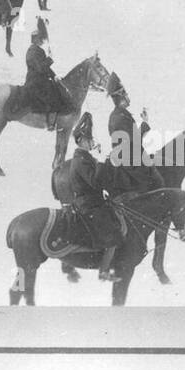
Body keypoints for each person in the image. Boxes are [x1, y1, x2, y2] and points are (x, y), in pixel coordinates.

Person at [63, 113, 128, 282]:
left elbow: (100, 181)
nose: (92, 141)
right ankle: (104, 271)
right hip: (89, 205)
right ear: (82, 140)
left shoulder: (84, 157)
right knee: (114, 235)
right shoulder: (81, 160)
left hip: (93, 201)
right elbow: (96, 181)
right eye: (89, 139)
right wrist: (106, 161)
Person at [22, 19, 73, 117]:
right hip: (36, 81)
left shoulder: (37, 50)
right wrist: (49, 59)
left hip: (39, 79)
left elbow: (46, 69)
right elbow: (41, 68)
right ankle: (50, 119)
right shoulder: (33, 51)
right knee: (53, 95)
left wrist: (54, 76)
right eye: (40, 39)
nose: (42, 40)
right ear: (35, 39)